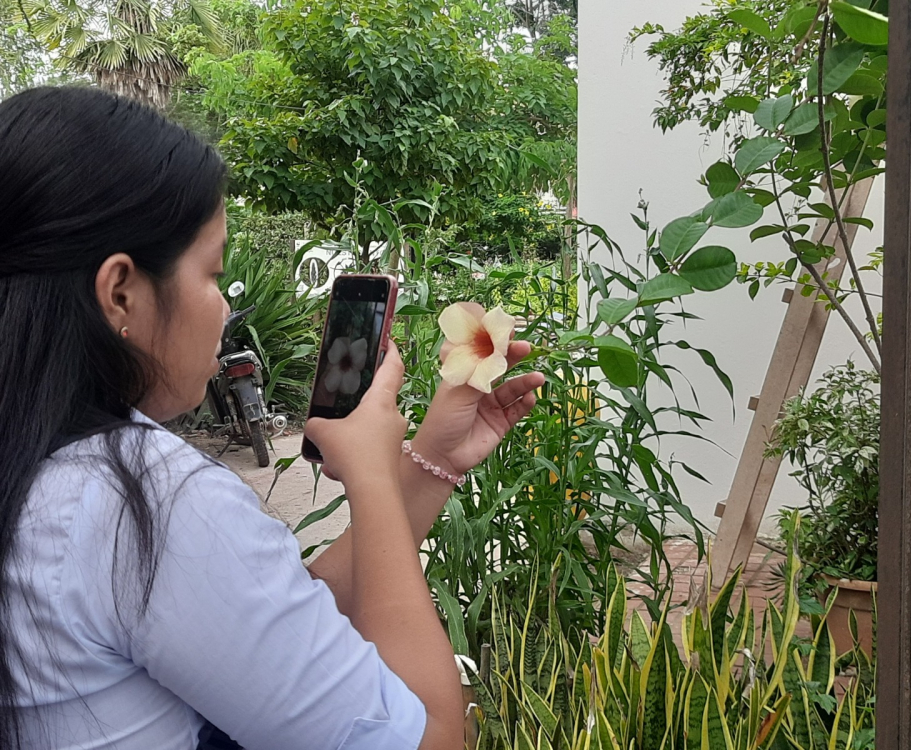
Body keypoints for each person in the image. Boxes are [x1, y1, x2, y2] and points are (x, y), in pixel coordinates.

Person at [0, 85, 544, 750]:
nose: (226, 310)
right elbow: (428, 737)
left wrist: (432, 461)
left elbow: (266, 628)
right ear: (121, 293)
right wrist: (369, 473)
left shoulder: (39, 469)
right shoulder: (140, 500)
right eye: (212, 275)